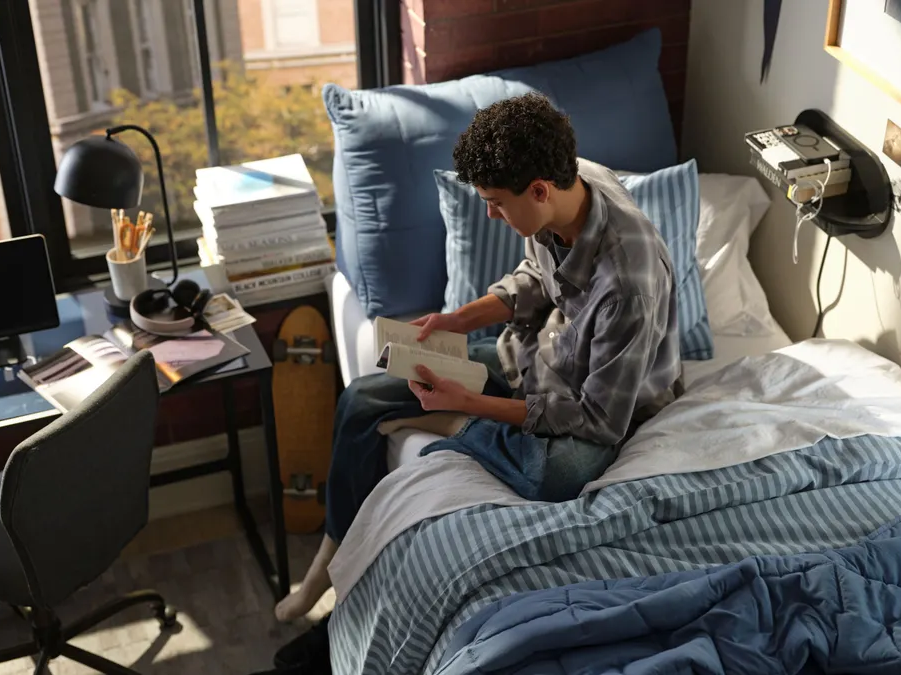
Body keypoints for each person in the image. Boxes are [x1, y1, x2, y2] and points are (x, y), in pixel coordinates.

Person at [275, 92, 682, 622]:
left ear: (538, 191)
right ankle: (322, 572)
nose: (489, 212)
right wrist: (456, 321)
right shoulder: (568, 183)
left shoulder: (628, 283)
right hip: (541, 355)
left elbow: (600, 418)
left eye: (496, 202)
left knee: (554, 479)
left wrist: (467, 403)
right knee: (362, 398)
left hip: (607, 405)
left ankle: (458, 422)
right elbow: (536, 277)